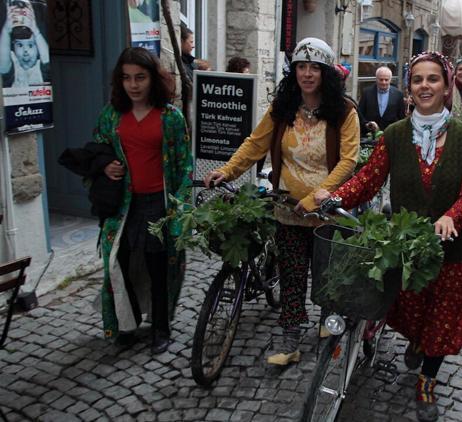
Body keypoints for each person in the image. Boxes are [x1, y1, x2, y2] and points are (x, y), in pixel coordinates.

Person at [314, 51, 462, 422]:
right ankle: (417, 342)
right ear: (410, 87)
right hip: (406, 246)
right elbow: (368, 179)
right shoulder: (394, 135)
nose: (426, 86)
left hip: (452, 251)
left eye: (433, 79)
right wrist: (337, 197)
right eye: (418, 79)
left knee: (443, 316)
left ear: (446, 86)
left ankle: (427, 380)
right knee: (408, 308)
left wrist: (451, 216)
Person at [203, 38, 359, 366]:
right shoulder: (283, 107)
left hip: (326, 212)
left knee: (326, 275)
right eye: (301, 66)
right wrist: (227, 171)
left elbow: (348, 160)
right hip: (288, 209)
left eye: (315, 67)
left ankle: (328, 325)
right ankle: (291, 340)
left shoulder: (344, 112)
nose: (307, 73)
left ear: (326, 72)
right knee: (291, 275)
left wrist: (320, 195)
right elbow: (255, 144)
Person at [94, 47, 193, 354]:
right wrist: (105, 166)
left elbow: (183, 166)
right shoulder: (111, 115)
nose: (133, 85)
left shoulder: (170, 118)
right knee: (119, 264)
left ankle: (161, 327)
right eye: (126, 78)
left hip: (158, 204)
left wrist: (179, 210)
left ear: (153, 78)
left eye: (140, 77)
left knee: (158, 267)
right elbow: (96, 151)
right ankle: (127, 323)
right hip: (122, 205)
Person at [0, 0, 49, 87]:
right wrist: (6, 30)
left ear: (38, 50)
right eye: (19, 45)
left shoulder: (41, 67)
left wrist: (36, 31)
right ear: (13, 49)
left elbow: (46, 61)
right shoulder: (13, 67)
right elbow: (3, 67)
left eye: (30, 45)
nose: (25, 50)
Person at [358, 66, 406, 135]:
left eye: (386, 80)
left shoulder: (398, 94)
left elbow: (401, 118)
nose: (383, 82)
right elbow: (360, 114)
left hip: (390, 135)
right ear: (376, 79)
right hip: (370, 136)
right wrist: (367, 124)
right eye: (381, 79)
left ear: (390, 79)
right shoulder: (366, 93)